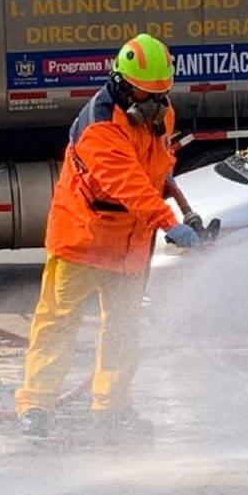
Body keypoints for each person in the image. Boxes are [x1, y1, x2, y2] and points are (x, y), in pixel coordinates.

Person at [15, 34, 200, 439]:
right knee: (57, 324)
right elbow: (130, 184)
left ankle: (111, 408)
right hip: (83, 238)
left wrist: (174, 195)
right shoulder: (99, 129)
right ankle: (36, 406)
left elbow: (156, 164)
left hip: (131, 245)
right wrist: (170, 222)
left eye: (161, 94)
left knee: (124, 328)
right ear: (121, 83)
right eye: (145, 94)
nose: (156, 105)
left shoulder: (160, 114)